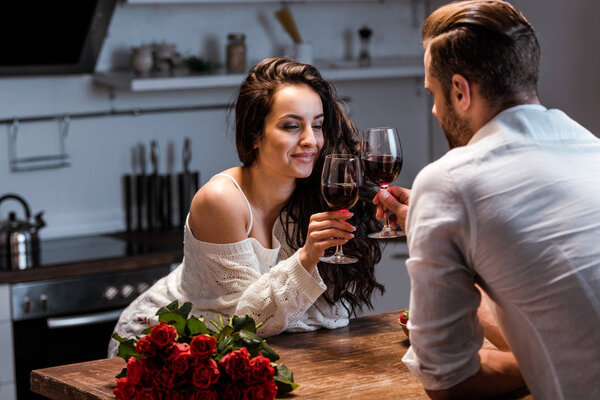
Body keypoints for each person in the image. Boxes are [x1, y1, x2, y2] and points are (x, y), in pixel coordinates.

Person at [374, 1, 600, 399]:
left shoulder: (450, 181)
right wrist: (433, 230)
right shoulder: (590, 149)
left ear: (460, 91)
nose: (433, 108)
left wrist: (545, 360)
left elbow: (450, 381)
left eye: (433, 92)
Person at [108, 57, 383, 357]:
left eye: (317, 125)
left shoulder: (315, 192)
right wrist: (306, 258)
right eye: (291, 126)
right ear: (255, 135)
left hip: (244, 351)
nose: (310, 141)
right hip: (164, 345)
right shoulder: (222, 201)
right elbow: (248, 322)